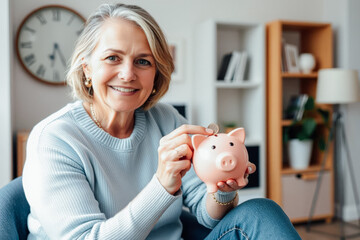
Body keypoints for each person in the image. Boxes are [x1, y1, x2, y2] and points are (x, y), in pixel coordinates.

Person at [22, 3, 301, 239]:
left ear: (156, 73)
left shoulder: (165, 119)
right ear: (87, 68)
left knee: (262, 211)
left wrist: (220, 189)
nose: (128, 74)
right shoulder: (55, 139)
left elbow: (206, 214)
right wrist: (162, 185)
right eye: (112, 58)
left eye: (143, 61)